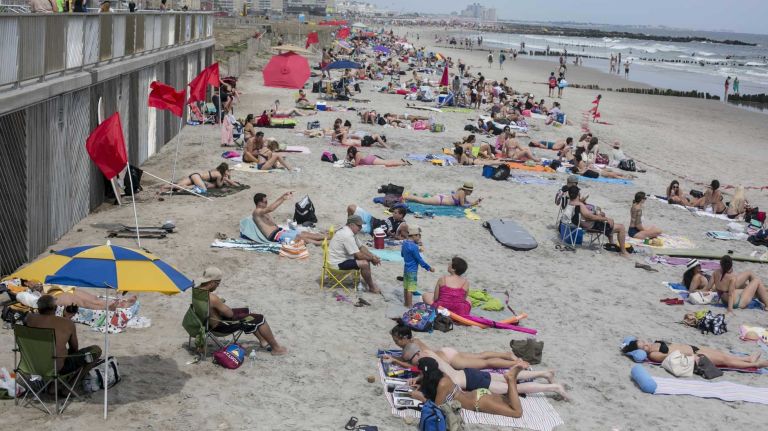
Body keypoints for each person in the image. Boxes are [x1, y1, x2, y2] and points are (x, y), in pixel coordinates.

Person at [406, 347, 566, 400]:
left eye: (411, 360)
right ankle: (545, 373)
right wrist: (419, 378)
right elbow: (433, 371)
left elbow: (430, 380)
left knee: (513, 388)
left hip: (471, 382)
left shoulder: (424, 360)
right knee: (507, 377)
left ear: (417, 355)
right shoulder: (428, 354)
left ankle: (554, 387)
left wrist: (419, 384)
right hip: (468, 374)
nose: (413, 364)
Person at [197, 267, 287, 355]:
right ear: (212, 283)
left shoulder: (197, 291)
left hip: (208, 322)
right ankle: (276, 348)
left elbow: (209, 306)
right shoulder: (212, 298)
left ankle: (263, 341)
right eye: (218, 283)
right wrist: (221, 304)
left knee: (247, 311)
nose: (217, 286)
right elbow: (229, 314)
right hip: (220, 326)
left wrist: (218, 306)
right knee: (259, 318)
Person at [386, 323, 529, 370]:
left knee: (485, 363)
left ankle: (515, 363)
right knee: (479, 356)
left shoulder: (407, 351)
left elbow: (409, 365)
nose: (396, 343)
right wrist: (394, 357)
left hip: (449, 360)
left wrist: (394, 360)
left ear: (404, 338)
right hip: (446, 352)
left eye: (397, 340)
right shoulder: (414, 341)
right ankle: (506, 355)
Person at [25, 295, 102, 379]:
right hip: (57, 368)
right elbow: (74, 350)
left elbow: (46, 323)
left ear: (39, 308)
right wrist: (67, 319)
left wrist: (65, 318)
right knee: (96, 350)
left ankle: (52, 384)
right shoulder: (68, 324)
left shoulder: (29, 318)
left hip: (32, 365)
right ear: (55, 307)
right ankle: (66, 387)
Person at [622, 339, 768, 369]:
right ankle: (756, 364)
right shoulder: (653, 355)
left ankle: (747, 358)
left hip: (694, 347)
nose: (646, 345)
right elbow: (670, 357)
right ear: (642, 351)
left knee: (722, 354)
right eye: (644, 347)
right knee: (724, 361)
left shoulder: (654, 343)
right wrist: (692, 357)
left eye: (644, 342)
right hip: (693, 356)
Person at [568, 186, 630, 256]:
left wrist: (598, 215)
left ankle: (611, 243)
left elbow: (586, 215)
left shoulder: (570, 203)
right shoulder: (580, 205)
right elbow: (589, 216)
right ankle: (623, 252)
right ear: (578, 194)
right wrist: (604, 219)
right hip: (592, 226)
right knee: (621, 227)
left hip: (583, 223)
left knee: (606, 219)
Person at [327, 215, 381, 293]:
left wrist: (372, 256)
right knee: (364, 263)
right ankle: (372, 287)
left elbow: (361, 247)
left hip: (341, 259)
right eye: (359, 226)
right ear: (351, 224)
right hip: (336, 264)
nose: (361, 228)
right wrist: (372, 259)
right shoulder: (347, 235)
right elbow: (358, 255)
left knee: (366, 258)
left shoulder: (349, 232)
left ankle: (369, 282)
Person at [252, 192, 326, 245]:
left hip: (280, 231)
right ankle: (322, 243)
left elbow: (270, 207)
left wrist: (282, 196)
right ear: (259, 203)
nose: (267, 203)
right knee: (300, 237)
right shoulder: (256, 212)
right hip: (275, 236)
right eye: (265, 202)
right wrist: (283, 199)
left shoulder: (262, 212)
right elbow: (271, 208)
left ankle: (326, 237)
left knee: (303, 233)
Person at [401, 225, 434, 307]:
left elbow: (402, 254)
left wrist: (417, 250)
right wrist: (429, 268)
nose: (419, 238)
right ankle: (409, 305)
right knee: (411, 289)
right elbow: (419, 260)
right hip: (412, 270)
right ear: (414, 235)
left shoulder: (404, 243)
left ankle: (406, 303)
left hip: (406, 268)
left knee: (406, 287)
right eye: (419, 236)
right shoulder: (414, 247)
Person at [163, 162, 239, 194]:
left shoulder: (216, 170)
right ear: (224, 170)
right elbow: (219, 185)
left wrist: (228, 176)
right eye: (227, 170)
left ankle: (166, 187)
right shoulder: (219, 175)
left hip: (195, 175)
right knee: (203, 190)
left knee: (179, 185)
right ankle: (170, 186)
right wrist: (226, 178)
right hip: (197, 177)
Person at [404, 182, 481, 207]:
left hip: (441, 198)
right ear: (466, 190)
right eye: (470, 191)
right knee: (419, 200)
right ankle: (404, 197)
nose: (471, 192)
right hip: (439, 201)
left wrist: (475, 202)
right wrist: (473, 204)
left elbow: (466, 202)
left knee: (420, 199)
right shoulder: (462, 193)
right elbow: (462, 205)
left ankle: (406, 196)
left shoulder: (462, 193)